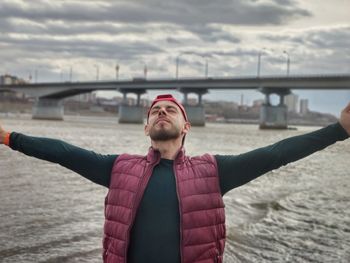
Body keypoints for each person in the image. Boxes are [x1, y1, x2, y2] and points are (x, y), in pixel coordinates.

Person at [0, 94, 349, 263]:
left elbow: (278, 153)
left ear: (187, 126)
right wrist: (6, 136)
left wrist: (338, 130)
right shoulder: (118, 168)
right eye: (155, 111)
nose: (161, 112)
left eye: (170, 110)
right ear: (146, 127)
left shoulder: (214, 171)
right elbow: (61, 151)